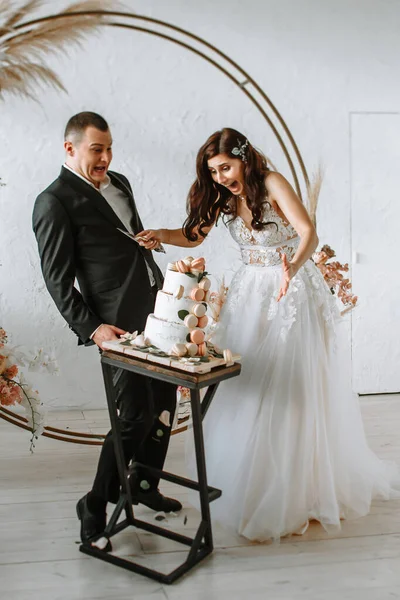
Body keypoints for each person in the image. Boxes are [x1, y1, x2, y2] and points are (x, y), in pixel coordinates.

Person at [137, 127, 400, 541]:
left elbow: (308, 231)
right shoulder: (223, 196)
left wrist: (291, 270)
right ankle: (250, 479)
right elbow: (193, 235)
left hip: (289, 289)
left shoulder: (273, 182)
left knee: (290, 383)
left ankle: (298, 489)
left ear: (244, 158)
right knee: (250, 382)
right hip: (249, 291)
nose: (221, 177)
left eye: (226, 167)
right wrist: (158, 235)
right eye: (214, 171)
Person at [32, 112, 181, 551]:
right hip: (116, 325)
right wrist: (94, 328)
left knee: (163, 404)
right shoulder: (53, 201)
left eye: (109, 147)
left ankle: (144, 485)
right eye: (96, 149)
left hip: (159, 310)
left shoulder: (120, 182)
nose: (105, 157)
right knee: (134, 414)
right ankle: (94, 503)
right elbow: (58, 282)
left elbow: (128, 240)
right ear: (70, 148)